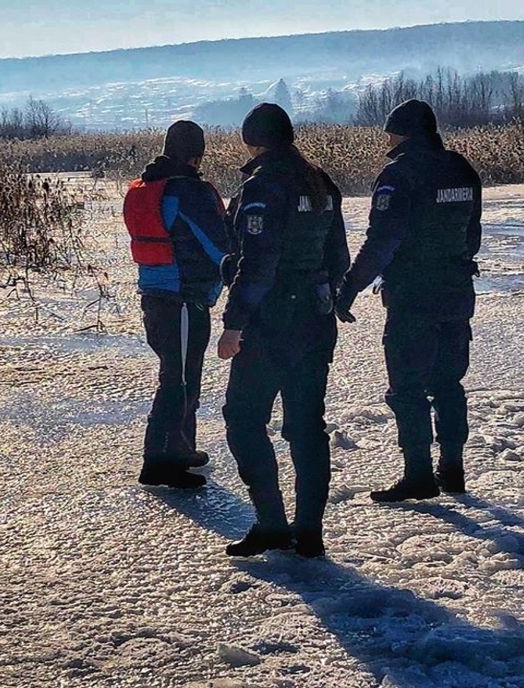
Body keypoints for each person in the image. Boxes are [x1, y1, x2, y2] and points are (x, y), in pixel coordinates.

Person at [218, 103, 350, 558]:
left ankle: (273, 522)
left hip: (272, 323)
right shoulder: (320, 183)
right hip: (314, 320)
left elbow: (257, 265)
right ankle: (309, 531)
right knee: (306, 427)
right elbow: (340, 257)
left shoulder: (263, 187)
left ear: (253, 142)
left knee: (243, 418)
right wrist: (329, 297)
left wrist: (233, 323)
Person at [335, 99, 482, 502]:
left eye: (391, 131)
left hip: (414, 293)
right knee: (449, 383)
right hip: (456, 288)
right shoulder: (461, 168)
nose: (387, 138)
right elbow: (473, 232)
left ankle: (418, 473)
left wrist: (349, 287)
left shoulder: (399, 175)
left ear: (404, 133)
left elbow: (382, 240)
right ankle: (452, 469)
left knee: (408, 387)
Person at [123, 120, 229, 489]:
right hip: (182, 295)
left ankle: (181, 448)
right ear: (198, 154)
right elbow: (220, 246)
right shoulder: (189, 192)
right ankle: (158, 461)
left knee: (181, 373)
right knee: (179, 379)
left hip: (155, 293)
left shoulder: (147, 186)